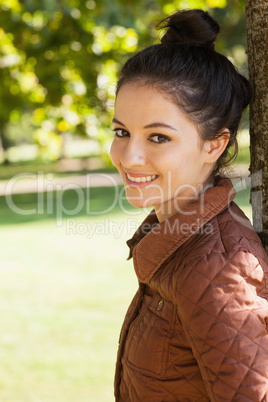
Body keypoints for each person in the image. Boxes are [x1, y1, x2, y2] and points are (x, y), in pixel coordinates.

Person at [109, 9, 268, 401]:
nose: (129, 157)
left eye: (158, 137)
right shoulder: (177, 236)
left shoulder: (219, 266)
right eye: (121, 132)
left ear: (213, 144)